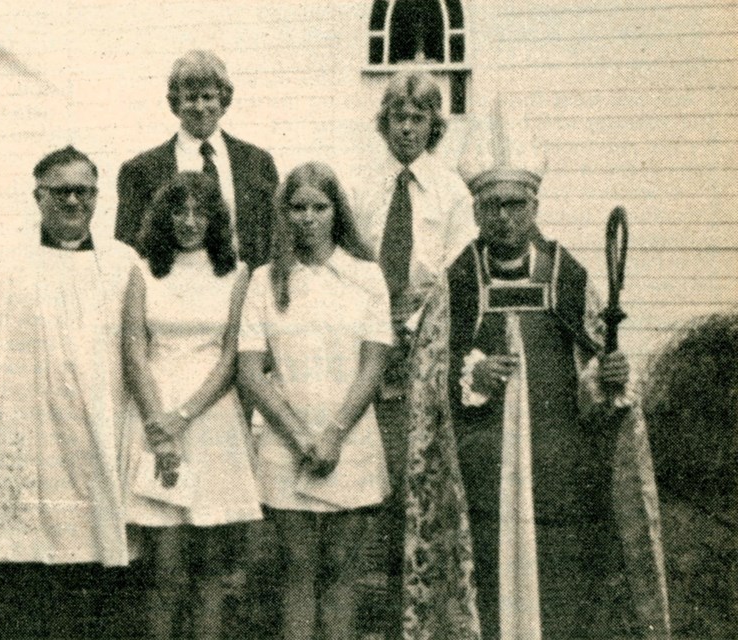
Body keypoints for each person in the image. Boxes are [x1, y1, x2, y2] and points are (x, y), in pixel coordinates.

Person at [402, 97, 671, 639]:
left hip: (557, 464)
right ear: (476, 210)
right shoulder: (456, 284)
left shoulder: (567, 277)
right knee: (487, 571)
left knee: (559, 574)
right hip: (479, 466)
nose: (504, 218)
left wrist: (608, 381)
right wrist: (470, 378)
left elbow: (595, 375)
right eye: (493, 206)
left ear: (534, 206)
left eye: (515, 205)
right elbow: (426, 378)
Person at [0, 146, 141, 639]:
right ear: (38, 196)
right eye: (60, 191)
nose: (73, 201)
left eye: (84, 191)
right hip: (25, 436)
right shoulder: (0, 263)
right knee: (20, 561)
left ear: (98, 196)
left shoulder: (121, 263)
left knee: (95, 553)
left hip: (97, 432)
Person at [238, 162, 392, 640]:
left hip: (351, 443)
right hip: (287, 446)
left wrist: (333, 434)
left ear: (336, 212)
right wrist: (301, 435)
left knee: (342, 576)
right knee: (297, 574)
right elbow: (250, 369)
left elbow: (373, 365)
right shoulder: (265, 281)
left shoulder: (366, 276)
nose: (307, 218)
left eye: (318, 207)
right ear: (283, 214)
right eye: (297, 207)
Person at [349, 69, 475, 638]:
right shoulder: (364, 187)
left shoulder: (451, 191)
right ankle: (369, 601)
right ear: (384, 124)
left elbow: (458, 273)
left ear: (432, 126)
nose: (406, 128)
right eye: (397, 118)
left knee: (412, 472)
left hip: (427, 343)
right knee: (368, 472)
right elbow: (352, 265)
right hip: (369, 342)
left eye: (417, 119)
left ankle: (416, 606)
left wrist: (418, 322)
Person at [121, 171, 262, 639]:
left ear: (215, 218)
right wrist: (159, 424)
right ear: (164, 217)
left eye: (200, 212)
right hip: (153, 419)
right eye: (179, 211)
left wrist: (185, 415)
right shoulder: (142, 271)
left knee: (210, 568)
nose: (189, 221)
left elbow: (230, 357)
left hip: (212, 421)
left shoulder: (235, 273)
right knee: (163, 569)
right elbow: (135, 350)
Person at [116, 49, 279, 269]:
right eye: (191, 98)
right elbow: (128, 251)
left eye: (208, 97)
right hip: (173, 293)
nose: (200, 107)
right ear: (175, 104)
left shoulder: (257, 162)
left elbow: (276, 237)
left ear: (223, 100)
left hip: (247, 292)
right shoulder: (142, 169)